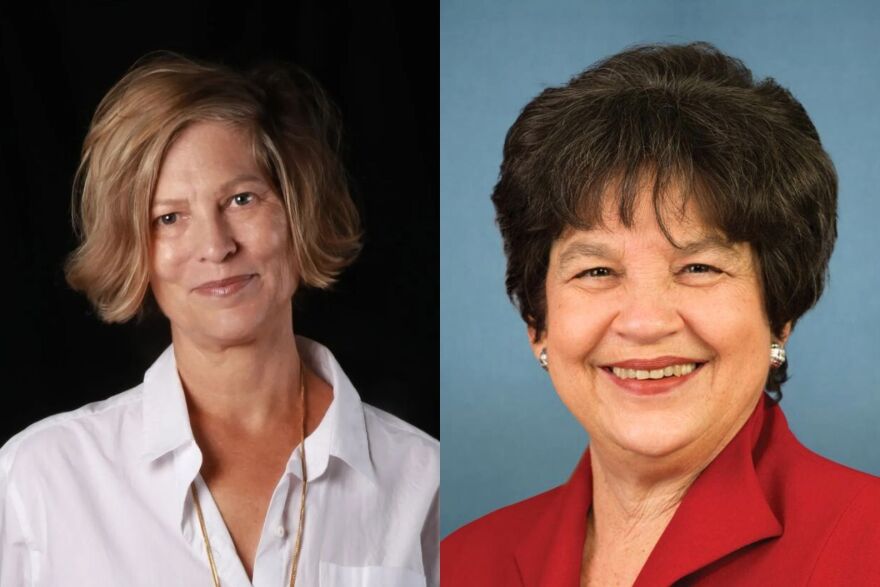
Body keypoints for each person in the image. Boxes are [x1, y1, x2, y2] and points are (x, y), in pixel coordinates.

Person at [441, 42, 880, 586]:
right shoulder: (461, 563)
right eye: (596, 272)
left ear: (780, 311)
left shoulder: (868, 545)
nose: (645, 323)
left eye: (698, 268)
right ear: (538, 322)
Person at [0, 53, 438, 587]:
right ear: (134, 249)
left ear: (298, 212)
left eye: (241, 198)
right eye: (169, 218)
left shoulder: (424, 478)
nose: (215, 245)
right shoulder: (39, 479)